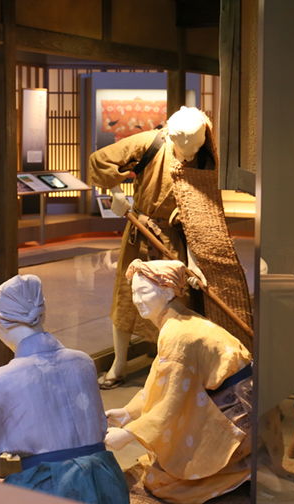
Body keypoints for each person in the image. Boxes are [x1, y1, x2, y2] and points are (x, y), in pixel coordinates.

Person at [0, 275, 130, 504]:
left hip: (48, 489)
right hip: (105, 482)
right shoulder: (84, 362)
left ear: (0, 323)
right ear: (41, 315)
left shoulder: (0, 382)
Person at [105, 259, 253, 504]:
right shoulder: (179, 320)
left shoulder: (177, 334)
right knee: (161, 463)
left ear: (167, 291)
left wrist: (128, 434)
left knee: (165, 483)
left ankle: (236, 470)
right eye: (134, 293)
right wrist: (126, 413)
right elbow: (159, 381)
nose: (137, 300)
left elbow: (171, 402)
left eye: (144, 292)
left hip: (239, 422)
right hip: (241, 405)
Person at [88, 107, 209, 389]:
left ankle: (167, 361)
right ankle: (119, 363)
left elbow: (197, 212)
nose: (189, 154)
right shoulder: (150, 143)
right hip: (138, 236)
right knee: (126, 297)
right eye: (184, 148)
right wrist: (117, 194)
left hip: (174, 238)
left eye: (196, 147)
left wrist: (193, 261)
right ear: (171, 135)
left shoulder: (203, 159)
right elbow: (100, 160)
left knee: (174, 300)